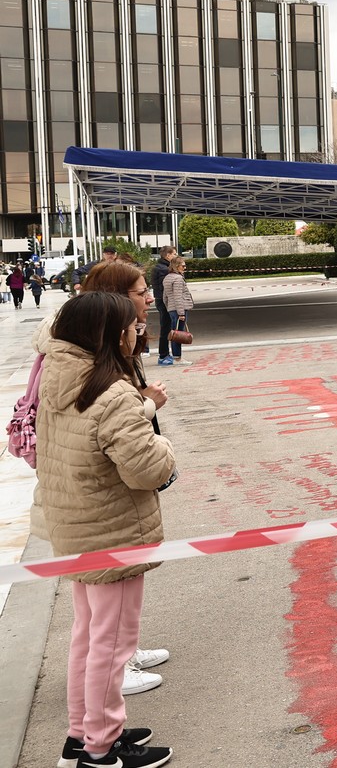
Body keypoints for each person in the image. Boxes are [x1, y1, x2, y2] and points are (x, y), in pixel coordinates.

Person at [36, 292, 176, 768]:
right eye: (132, 325)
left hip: (75, 525)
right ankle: (101, 746)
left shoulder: (58, 376)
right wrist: (158, 431)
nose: (138, 330)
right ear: (112, 335)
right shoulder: (111, 391)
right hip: (111, 531)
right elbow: (146, 468)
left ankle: (82, 733)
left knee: (88, 637)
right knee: (112, 646)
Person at [160, 259, 194, 365]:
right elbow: (178, 297)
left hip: (172, 308)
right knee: (178, 334)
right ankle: (177, 357)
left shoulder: (167, 278)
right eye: (183, 266)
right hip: (179, 309)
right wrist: (181, 313)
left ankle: (176, 356)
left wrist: (169, 307)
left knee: (174, 333)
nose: (185, 268)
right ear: (176, 266)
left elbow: (165, 297)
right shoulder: (178, 279)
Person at [151, 247, 176, 363]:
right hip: (164, 300)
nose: (176, 256)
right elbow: (166, 287)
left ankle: (165, 353)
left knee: (166, 326)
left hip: (161, 299)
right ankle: (163, 355)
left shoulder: (160, 267)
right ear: (168, 255)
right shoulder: (164, 269)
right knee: (166, 327)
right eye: (174, 254)